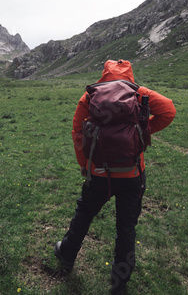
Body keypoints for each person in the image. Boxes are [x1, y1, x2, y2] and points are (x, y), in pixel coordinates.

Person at [54, 59, 176, 294]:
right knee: (126, 227)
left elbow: (77, 132)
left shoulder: (89, 96)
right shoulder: (140, 93)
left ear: (104, 73)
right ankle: (120, 282)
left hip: (98, 173)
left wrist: (84, 164)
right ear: (129, 74)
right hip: (132, 175)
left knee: (84, 215)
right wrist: (143, 130)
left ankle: (66, 256)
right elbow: (169, 110)